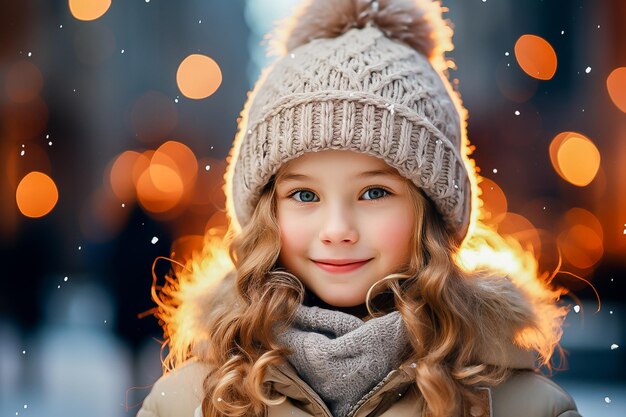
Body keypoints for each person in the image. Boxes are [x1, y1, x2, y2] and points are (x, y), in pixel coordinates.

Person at [137, 0, 581, 416]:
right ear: (266, 214)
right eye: (305, 196)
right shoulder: (192, 400)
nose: (337, 229)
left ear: (431, 210)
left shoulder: (518, 405)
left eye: (374, 193)